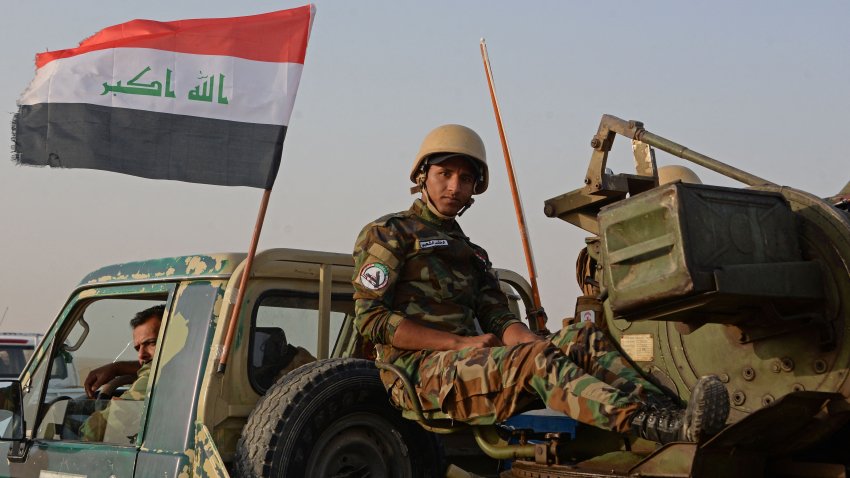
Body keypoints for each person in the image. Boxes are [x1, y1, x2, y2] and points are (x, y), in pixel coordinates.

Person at [352, 124, 729, 444]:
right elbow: (371, 320)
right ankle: (656, 425)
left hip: (467, 362)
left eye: (464, 178)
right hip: (419, 375)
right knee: (536, 361)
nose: (454, 186)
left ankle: (668, 412)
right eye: (444, 174)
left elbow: (498, 318)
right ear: (422, 177)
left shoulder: (473, 254)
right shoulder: (390, 234)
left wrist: (539, 342)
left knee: (580, 339)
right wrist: (459, 343)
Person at [79, 304, 163, 441]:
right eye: (137, 348)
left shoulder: (156, 378)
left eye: (151, 343)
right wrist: (117, 368)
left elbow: (96, 431)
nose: (141, 355)